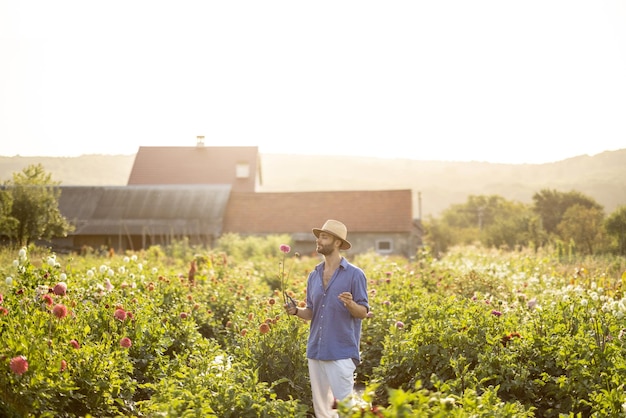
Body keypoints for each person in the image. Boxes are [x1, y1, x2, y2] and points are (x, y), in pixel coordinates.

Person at [285, 219, 369, 418]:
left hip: (340, 352)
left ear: (337, 242)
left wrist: (350, 304)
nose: (319, 241)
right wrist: (296, 310)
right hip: (316, 350)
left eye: (324, 237)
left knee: (347, 410)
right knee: (322, 410)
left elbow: (363, 312)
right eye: (319, 237)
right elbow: (311, 312)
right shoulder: (314, 275)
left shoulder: (354, 275)